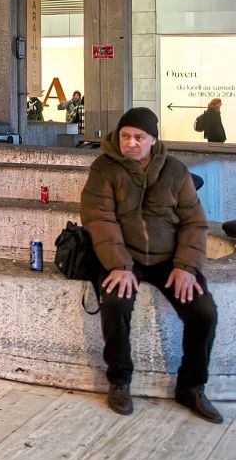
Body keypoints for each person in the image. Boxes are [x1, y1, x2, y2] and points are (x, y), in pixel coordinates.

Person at [80, 107, 219, 423]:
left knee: (204, 311)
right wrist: (119, 265)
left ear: (153, 140)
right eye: (125, 136)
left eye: (139, 137)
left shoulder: (175, 171)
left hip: (168, 258)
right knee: (115, 302)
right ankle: (119, 380)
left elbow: (194, 222)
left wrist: (186, 266)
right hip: (122, 256)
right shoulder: (104, 168)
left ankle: (191, 386)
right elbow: (98, 218)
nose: (131, 143)